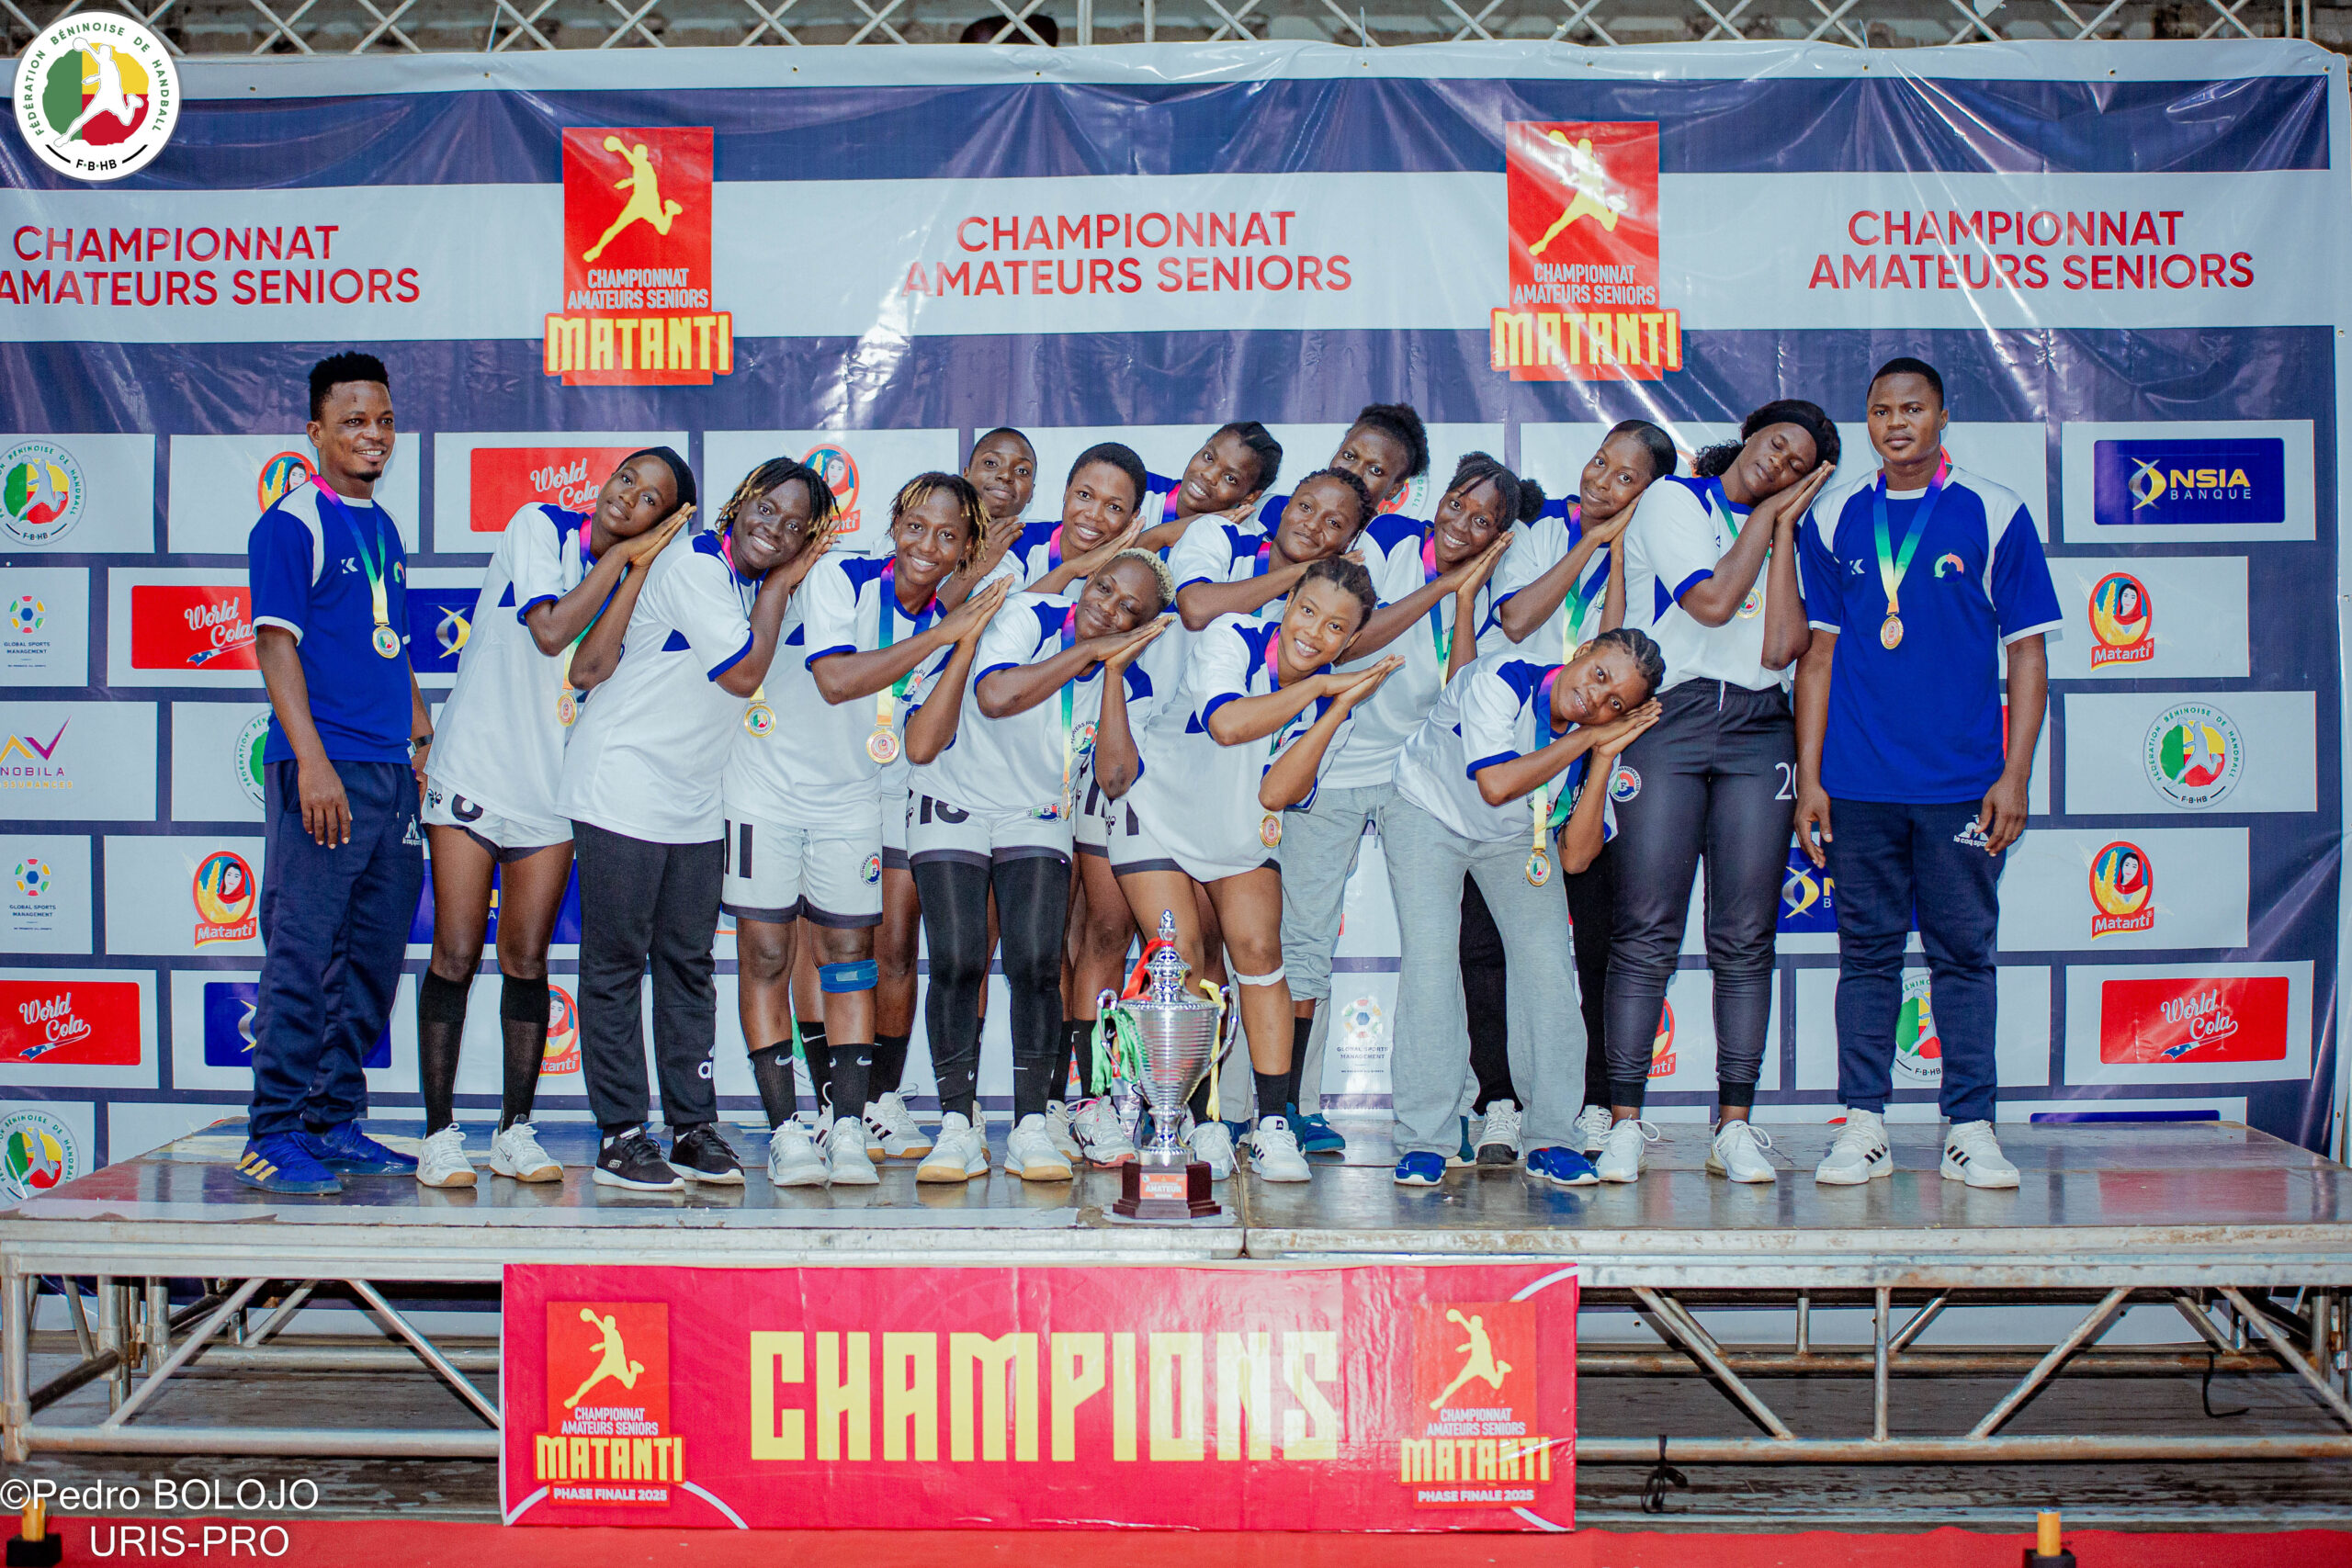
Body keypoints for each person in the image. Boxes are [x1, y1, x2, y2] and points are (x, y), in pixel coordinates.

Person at [1795, 355, 2059, 1190]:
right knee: (1866, 955)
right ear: (1868, 421)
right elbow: (1817, 657)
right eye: (1882, 410)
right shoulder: (1834, 515)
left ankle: (1970, 1127)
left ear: (1943, 417)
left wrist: (2014, 775)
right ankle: (1863, 1124)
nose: (1897, 423)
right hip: (1858, 782)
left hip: (1961, 784)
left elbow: (2027, 654)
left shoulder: (1995, 509)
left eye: (1913, 408)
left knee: (1963, 955)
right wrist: (1810, 778)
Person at [413, 449, 693, 1188]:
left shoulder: (644, 579)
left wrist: (634, 569)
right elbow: (549, 630)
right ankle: (439, 1134)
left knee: (527, 959)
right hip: (472, 769)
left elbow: (589, 669)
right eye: (626, 478)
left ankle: (514, 1129)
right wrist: (624, 556)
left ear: (664, 523)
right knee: (455, 952)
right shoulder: (538, 524)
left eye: (650, 498)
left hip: (552, 791)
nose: (627, 496)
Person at [558, 451, 830, 1192]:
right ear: (739, 502)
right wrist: (780, 586)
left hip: (695, 800)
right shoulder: (695, 564)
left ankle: (691, 1127)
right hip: (621, 782)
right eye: (766, 509)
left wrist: (779, 585)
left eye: (795, 526)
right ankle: (621, 1136)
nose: (776, 529)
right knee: (616, 966)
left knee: (687, 966)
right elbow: (743, 673)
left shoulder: (745, 581)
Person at [1599, 399, 1840, 1186]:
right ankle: (1624, 1123)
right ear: (1750, 434)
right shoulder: (1676, 497)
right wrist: (1765, 518)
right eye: (1777, 443)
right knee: (1646, 930)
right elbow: (1708, 602)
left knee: (1745, 938)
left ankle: (1733, 1125)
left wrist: (1782, 533)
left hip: (1758, 729)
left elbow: (1780, 648)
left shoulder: (1791, 534)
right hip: (1668, 717)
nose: (1780, 462)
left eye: (1798, 464)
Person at [1102, 554, 1400, 1182]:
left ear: (1351, 640)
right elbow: (1226, 724)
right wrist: (1318, 689)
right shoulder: (1232, 635)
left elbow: (1275, 793)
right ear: (1287, 604)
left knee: (1262, 953)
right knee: (1180, 957)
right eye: (1308, 611)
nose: (1315, 633)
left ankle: (1271, 1126)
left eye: (1336, 627)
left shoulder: (1337, 707)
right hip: (1156, 809)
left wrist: (1335, 710)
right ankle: (1189, 1123)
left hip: (1237, 828)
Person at [1274, 453, 1528, 1157]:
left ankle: (1455, 1108)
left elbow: (1463, 693)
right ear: (1438, 498)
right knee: (1305, 942)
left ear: (1500, 536)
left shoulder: (1494, 586)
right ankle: (1289, 1105)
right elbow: (1349, 639)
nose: (1463, 523)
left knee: (1437, 947)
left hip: (1416, 781)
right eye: (1458, 504)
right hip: (1330, 765)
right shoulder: (1387, 542)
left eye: (1483, 520)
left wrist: (1465, 599)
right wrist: (1442, 586)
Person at [906, 551, 1171, 1182]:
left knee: (1034, 965)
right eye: (1103, 588)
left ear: (1142, 628)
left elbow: (1114, 777)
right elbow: (996, 695)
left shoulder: (1134, 683)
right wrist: (1088, 652)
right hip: (953, 796)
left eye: (1128, 609)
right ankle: (956, 1125)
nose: (1106, 607)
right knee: (958, 959)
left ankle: (1030, 1126)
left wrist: (1112, 673)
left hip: (1037, 811)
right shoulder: (1031, 613)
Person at [238, 352, 433, 1195]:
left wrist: (420, 732)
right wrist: (312, 760)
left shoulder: (382, 526)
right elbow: (274, 643)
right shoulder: (291, 521)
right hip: (324, 768)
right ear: (315, 430)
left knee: (371, 958)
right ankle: (273, 1129)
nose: (373, 435)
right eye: (354, 421)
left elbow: (392, 643)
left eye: (384, 420)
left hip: (387, 771)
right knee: (305, 951)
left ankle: (332, 1119)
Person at [1384, 630, 1664, 1188]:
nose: (1597, 699)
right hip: (1425, 811)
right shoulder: (1505, 676)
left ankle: (1552, 1138)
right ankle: (1426, 1139)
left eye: (1616, 705)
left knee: (1548, 969)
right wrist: (1588, 738)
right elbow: (1495, 784)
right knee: (1432, 966)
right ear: (1581, 652)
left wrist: (1602, 757)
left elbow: (1577, 857)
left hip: (1515, 839)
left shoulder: (1590, 738)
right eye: (1600, 675)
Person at [806, 474, 1009, 1170]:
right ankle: (840, 1105)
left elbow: (924, 741)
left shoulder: (954, 619)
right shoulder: (845, 577)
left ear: (965, 551)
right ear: (893, 524)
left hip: (903, 793)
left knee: (902, 951)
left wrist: (953, 636)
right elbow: (836, 682)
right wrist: (944, 634)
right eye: (916, 526)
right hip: (822, 791)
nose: (927, 544)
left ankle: (885, 1100)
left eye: (948, 536)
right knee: (837, 951)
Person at [1488, 420, 1678, 1156]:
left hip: (1600, 758)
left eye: (1626, 477)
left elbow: (1620, 653)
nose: (1602, 479)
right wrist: (1590, 542)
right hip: (1517, 750)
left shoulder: (1655, 547)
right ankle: (1499, 1100)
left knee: (1596, 940)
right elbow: (1517, 618)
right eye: (1601, 462)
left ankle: (1597, 1101)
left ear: (1650, 493)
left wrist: (1622, 552)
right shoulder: (1543, 533)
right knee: (1488, 945)